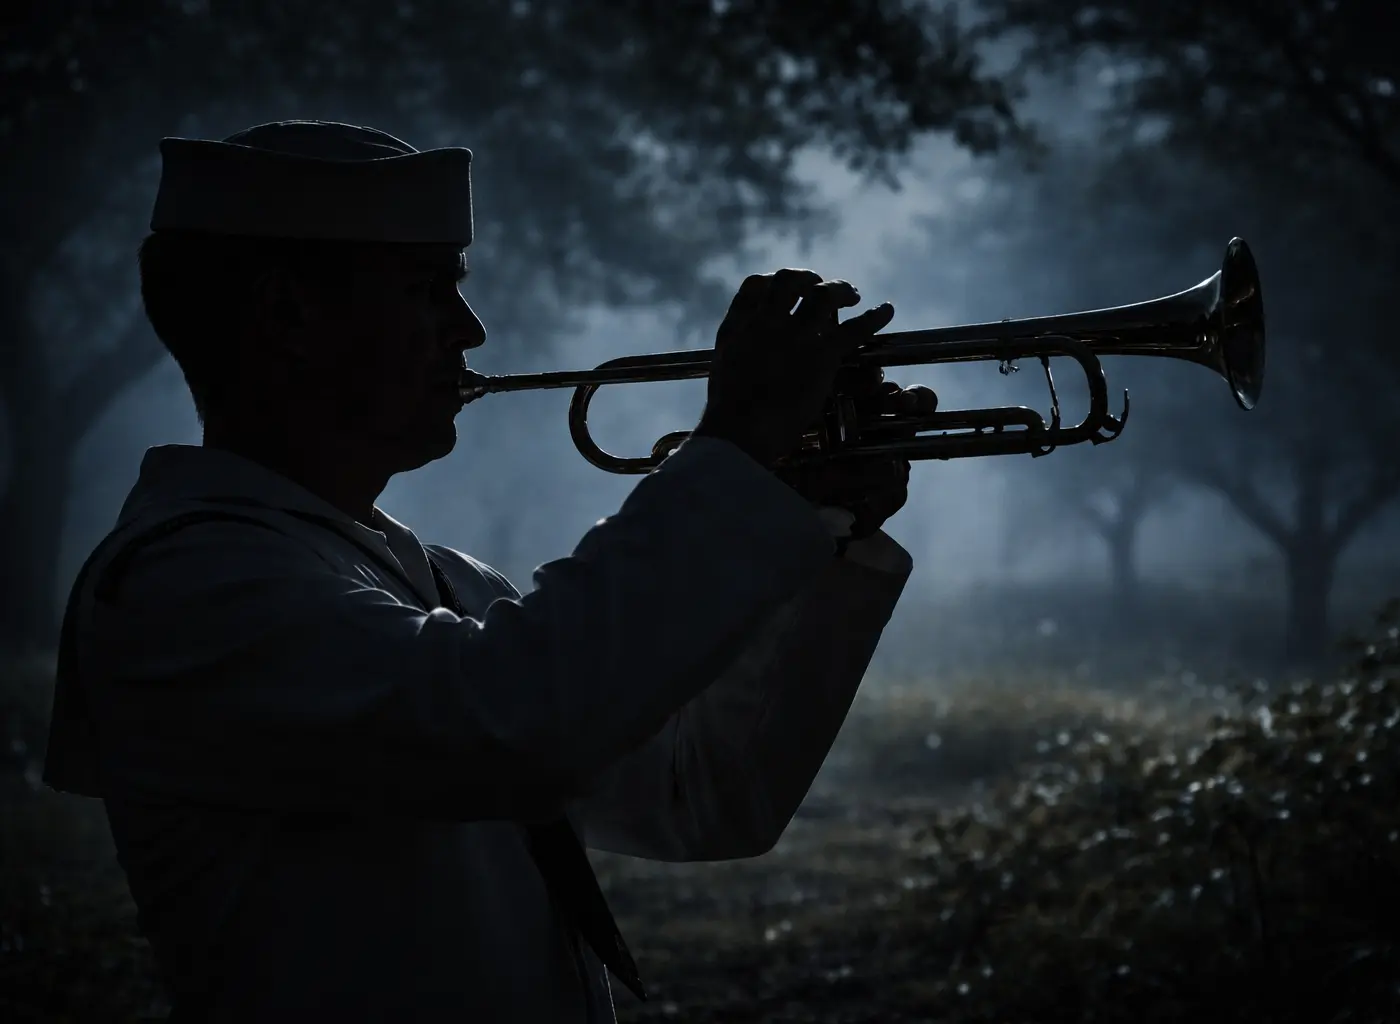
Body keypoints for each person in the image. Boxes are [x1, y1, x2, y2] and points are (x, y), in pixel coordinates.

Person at [41, 121, 936, 1022]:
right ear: (286, 315)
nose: (469, 330)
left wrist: (814, 520)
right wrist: (735, 450)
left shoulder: (443, 584)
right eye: (429, 290)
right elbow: (514, 727)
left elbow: (700, 795)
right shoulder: (182, 586)